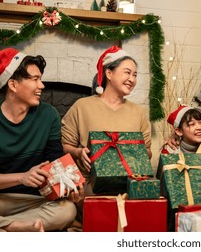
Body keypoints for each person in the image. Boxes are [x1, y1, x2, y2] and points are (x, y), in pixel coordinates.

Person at [61, 45, 152, 223]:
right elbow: (64, 146)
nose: (132, 79)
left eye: (135, 75)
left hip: (129, 184)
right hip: (91, 185)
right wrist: (78, 153)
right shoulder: (82, 106)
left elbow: (148, 152)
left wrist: (135, 153)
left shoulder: (139, 113)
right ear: (109, 74)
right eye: (127, 73)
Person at [0, 48, 79, 232]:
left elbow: (55, 162)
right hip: (3, 199)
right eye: (35, 79)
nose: (41, 85)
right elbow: (23, 177)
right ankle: (16, 227)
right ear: (12, 84)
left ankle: (6, 228)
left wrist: (69, 185)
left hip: (35, 200)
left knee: (67, 211)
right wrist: (22, 177)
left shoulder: (48, 115)